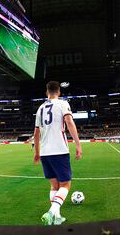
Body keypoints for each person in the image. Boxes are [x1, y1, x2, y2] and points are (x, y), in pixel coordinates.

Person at [33, 81, 82, 225]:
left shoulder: (40, 108)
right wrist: (78, 144)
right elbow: (69, 122)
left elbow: (36, 133)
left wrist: (37, 153)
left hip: (45, 152)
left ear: (46, 93)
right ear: (59, 92)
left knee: (54, 186)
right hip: (59, 150)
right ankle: (52, 211)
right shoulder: (62, 104)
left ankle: (57, 217)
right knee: (65, 185)